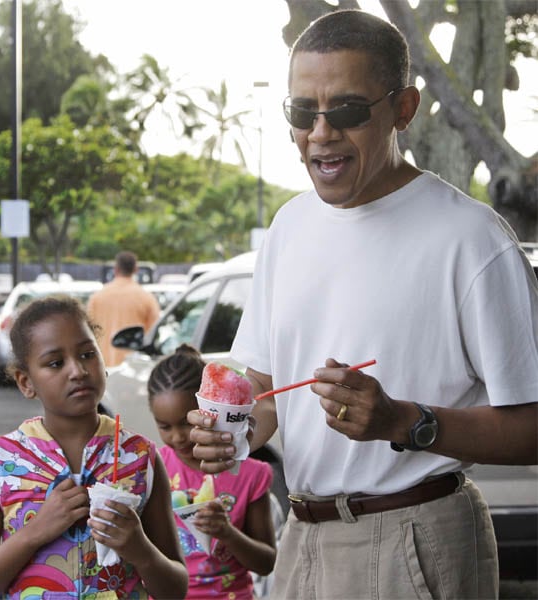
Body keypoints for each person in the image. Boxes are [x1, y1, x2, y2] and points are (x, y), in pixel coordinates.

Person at [188, 9, 538, 600]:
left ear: (404, 109)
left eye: (347, 111)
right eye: (302, 112)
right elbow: (265, 390)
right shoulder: (289, 225)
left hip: (417, 535)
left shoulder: (472, 239)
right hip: (301, 536)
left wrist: (403, 422)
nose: (320, 133)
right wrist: (233, 434)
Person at [0, 296, 187, 599]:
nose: (77, 371)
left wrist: (141, 551)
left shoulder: (140, 458)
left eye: (88, 354)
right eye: (55, 363)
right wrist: (34, 532)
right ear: (26, 382)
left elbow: (176, 589)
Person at [148, 344, 276, 599]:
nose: (177, 437)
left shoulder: (251, 475)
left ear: (211, 410)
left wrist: (227, 533)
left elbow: (266, 562)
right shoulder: (153, 467)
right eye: (164, 426)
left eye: (186, 423)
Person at [87, 251, 161, 367]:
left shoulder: (97, 297)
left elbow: (88, 331)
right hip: (134, 367)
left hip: (102, 365)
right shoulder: (146, 298)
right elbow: (154, 332)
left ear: (116, 269)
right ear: (136, 269)